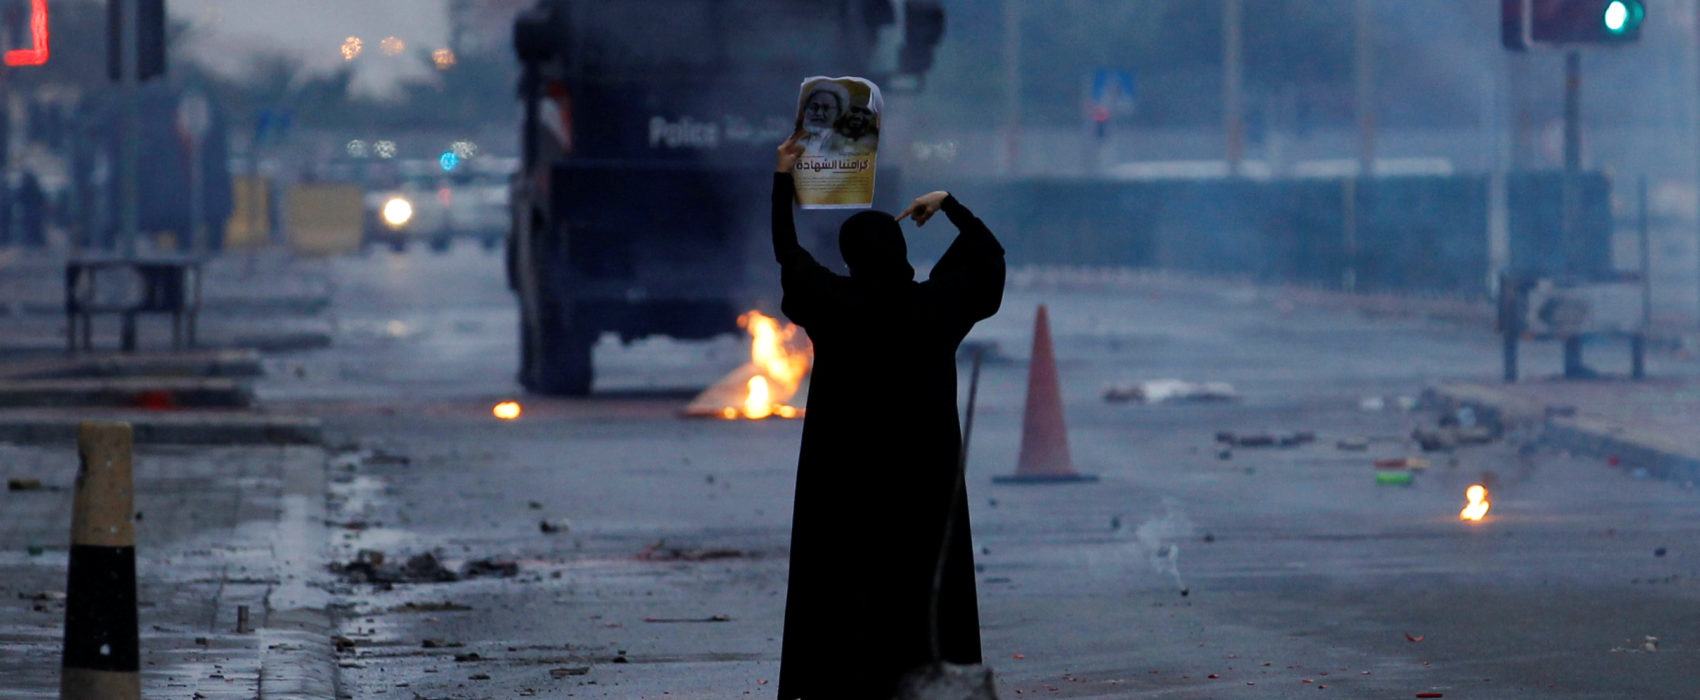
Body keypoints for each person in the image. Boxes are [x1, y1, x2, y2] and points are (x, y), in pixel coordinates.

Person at [771, 131, 1005, 700]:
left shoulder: (833, 306)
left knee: (847, 578)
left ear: (851, 257)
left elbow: (788, 253)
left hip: (845, 483)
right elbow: (988, 257)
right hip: (923, 483)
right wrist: (948, 204)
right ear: (899, 254)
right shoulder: (935, 307)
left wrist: (782, 179)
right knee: (922, 578)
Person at [797, 82, 849, 155]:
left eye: (826, 108)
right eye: (814, 107)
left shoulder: (844, 145)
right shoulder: (797, 142)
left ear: (838, 114)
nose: (819, 113)